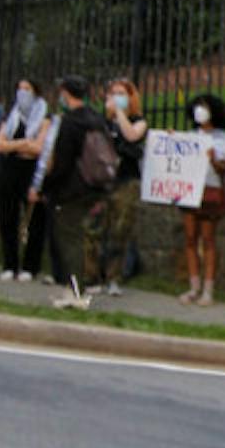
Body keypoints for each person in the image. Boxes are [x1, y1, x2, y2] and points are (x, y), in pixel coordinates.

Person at [28, 76, 106, 306]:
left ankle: (74, 290)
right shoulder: (96, 118)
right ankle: (75, 286)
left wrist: (44, 187)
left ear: (65, 93)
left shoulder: (70, 122)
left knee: (69, 240)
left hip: (70, 188)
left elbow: (62, 161)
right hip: (93, 184)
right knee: (80, 237)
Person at [89, 79, 148, 297]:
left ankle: (113, 276)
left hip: (126, 181)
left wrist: (120, 114)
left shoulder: (138, 120)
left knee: (119, 231)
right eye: (112, 93)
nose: (116, 97)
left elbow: (132, 135)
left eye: (121, 93)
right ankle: (93, 276)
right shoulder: (100, 121)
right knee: (94, 228)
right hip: (102, 181)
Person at [176, 93, 225, 307]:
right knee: (190, 237)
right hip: (190, 190)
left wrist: (213, 158)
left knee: (208, 239)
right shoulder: (191, 134)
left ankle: (208, 289)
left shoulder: (222, 138)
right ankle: (193, 286)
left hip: (210, 190)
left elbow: (223, 168)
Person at [0, 79, 49, 281]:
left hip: (31, 171)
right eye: (19, 89)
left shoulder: (44, 118)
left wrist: (14, 145)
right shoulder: (12, 116)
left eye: (27, 89)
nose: (22, 93)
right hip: (9, 169)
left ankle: (30, 266)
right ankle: (9, 264)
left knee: (34, 219)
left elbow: (39, 148)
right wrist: (24, 143)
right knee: (8, 216)